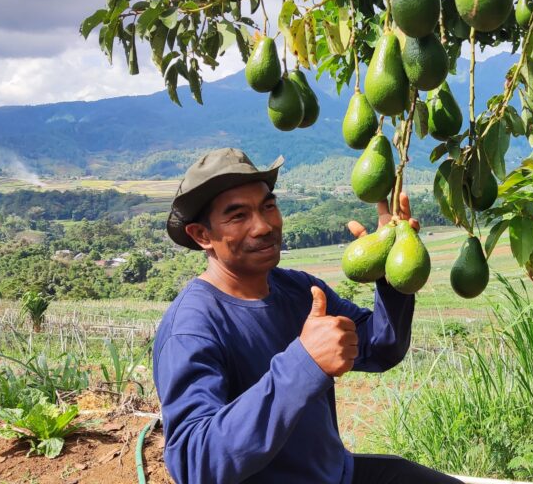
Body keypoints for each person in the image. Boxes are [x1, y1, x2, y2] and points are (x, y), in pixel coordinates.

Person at [152, 148, 462, 483]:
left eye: (268, 206)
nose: (264, 226)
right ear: (202, 235)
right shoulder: (191, 328)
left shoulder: (299, 290)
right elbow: (195, 463)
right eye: (238, 216)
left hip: (337, 474)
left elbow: (381, 346)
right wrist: (304, 363)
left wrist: (390, 266)